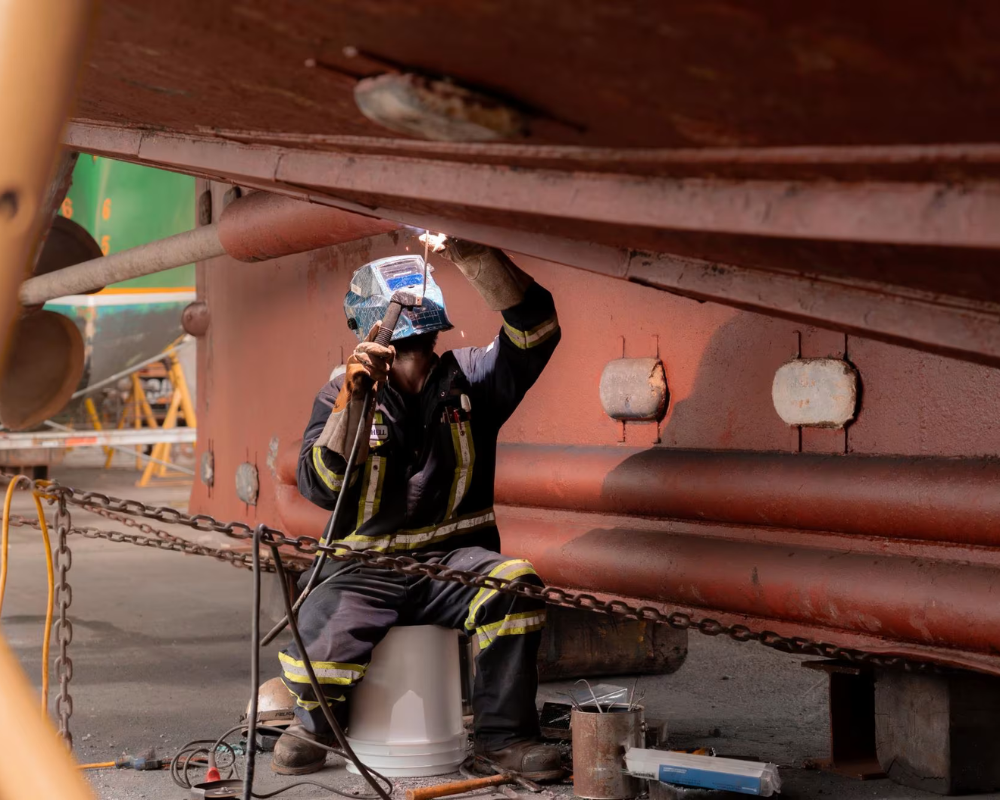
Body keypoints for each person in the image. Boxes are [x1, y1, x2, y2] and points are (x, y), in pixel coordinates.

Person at [273, 239, 562, 778]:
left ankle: (505, 741)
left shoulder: (470, 381)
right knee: (320, 633)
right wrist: (354, 402)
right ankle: (316, 726)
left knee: (514, 585)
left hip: (451, 566)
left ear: (362, 324)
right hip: (363, 573)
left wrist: (476, 255)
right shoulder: (342, 394)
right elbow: (322, 485)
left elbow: (535, 329)